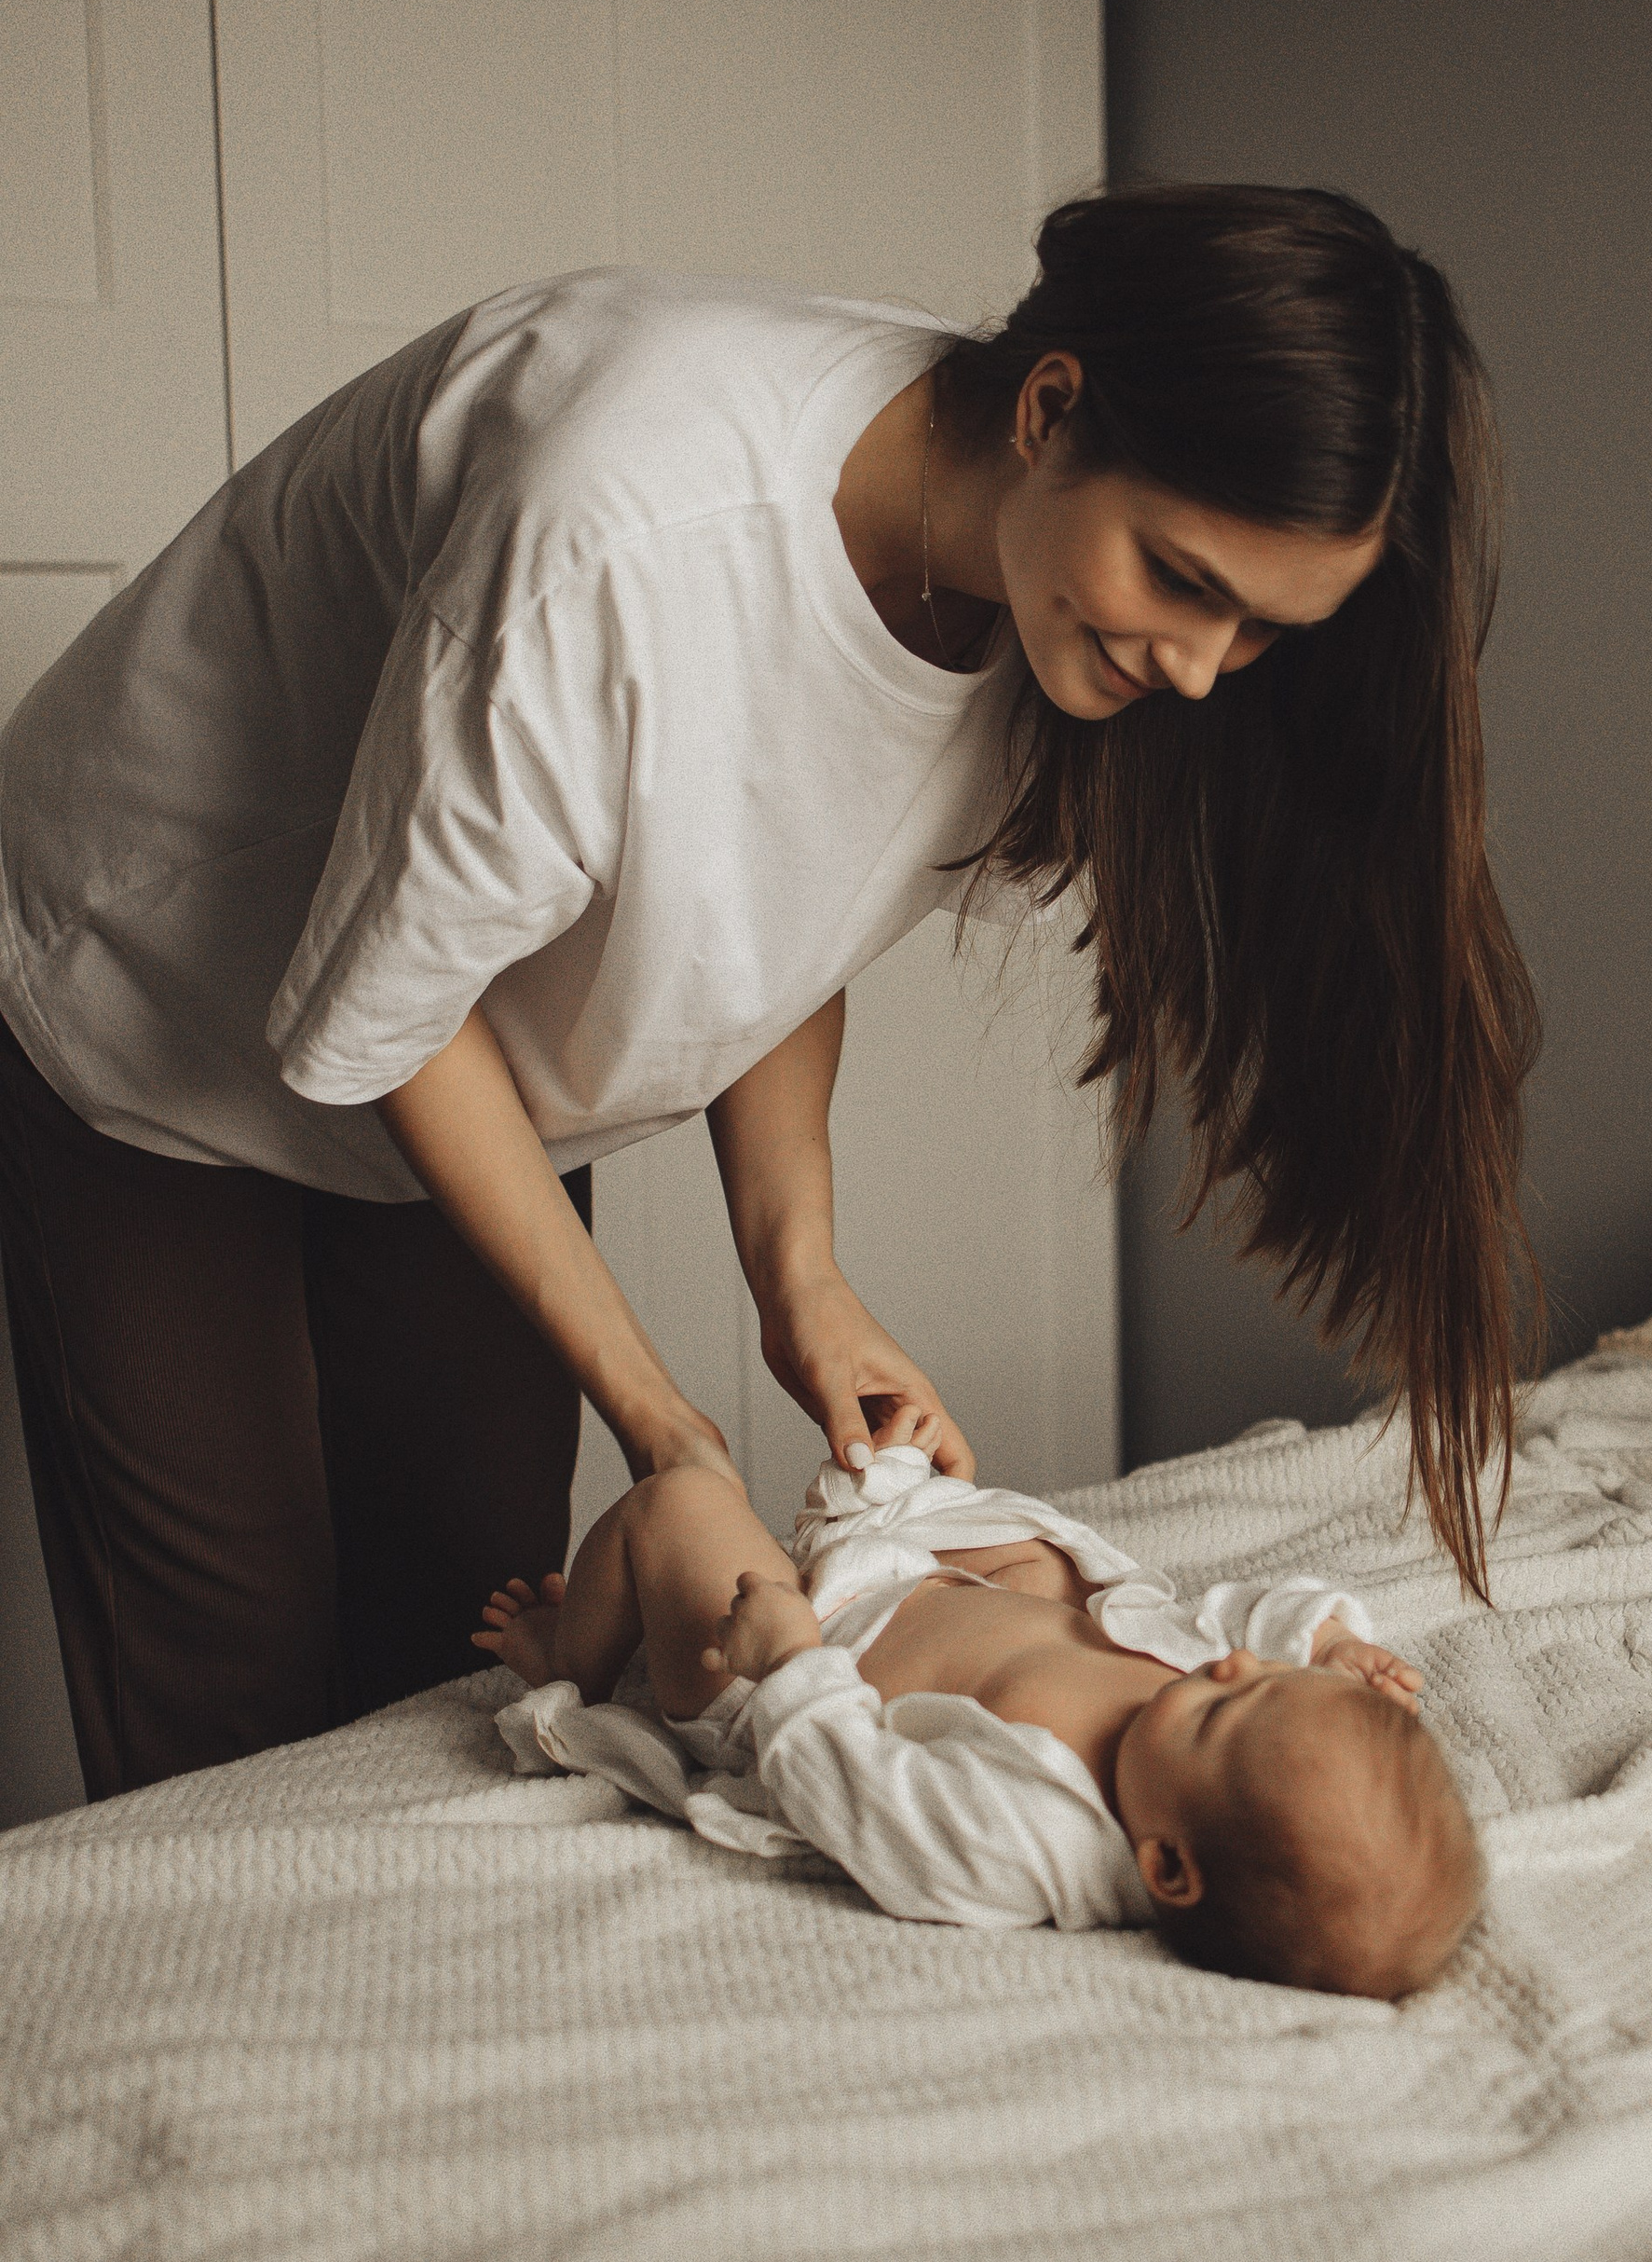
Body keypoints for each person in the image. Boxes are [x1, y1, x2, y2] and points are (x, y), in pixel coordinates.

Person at [0, 184, 1541, 1798]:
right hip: (157, 1000)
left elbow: (786, 903)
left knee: (454, 1660)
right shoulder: (619, 532)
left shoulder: (1059, 623)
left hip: (463, 1051)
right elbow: (392, 1013)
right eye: (1183, 576)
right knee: (226, 1703)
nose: (1201, 666)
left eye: (1257, 631)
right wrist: (668, 1427)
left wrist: (796, 1271)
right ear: (1052, 406)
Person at [482, 1426, 1484, 2000]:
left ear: (1167, 1867)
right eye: (1258, 1681)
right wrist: (1324, 1643)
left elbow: (874, 1801)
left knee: (684, 1500)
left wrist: (789, 1660)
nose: (1226, 1670)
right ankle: (882, 1514)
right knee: (1049, 1563)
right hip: (930, 1591)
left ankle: (569, 1653)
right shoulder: (1205, 1706)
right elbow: (1229, 1624)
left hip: (781, 1669)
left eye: (1227, 1711)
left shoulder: (1037, 1840)